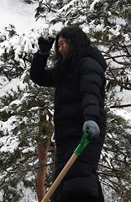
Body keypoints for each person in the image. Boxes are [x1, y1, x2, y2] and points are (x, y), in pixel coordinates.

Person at [30, 26, 107, 202]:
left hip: (86, 129)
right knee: (64, 184)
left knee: (79, 180)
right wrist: (42, 54)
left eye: (63, 43)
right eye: (58, 45)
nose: (60, 48)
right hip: (66, 134)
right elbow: (39, 77)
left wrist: (91, 119)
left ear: (75, 42)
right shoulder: (65, 69)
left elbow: (91, 93)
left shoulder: (88, 64)